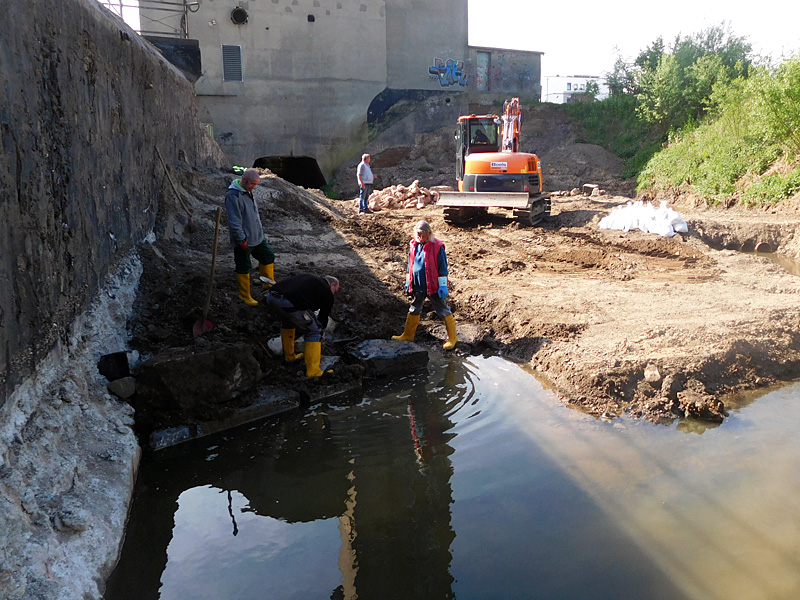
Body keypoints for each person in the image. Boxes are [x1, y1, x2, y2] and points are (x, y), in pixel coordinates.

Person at [392, 220, 457, 350]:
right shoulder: (414, 244)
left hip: (433, 286)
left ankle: (453, 338)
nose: (420, 237)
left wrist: (443, 285)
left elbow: (443, 267)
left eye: (422, 234)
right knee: (414, 307)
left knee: (442, 309)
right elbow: (410, 265)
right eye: (418, 234)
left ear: (428, 233)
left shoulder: (437, 246)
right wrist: (407, 281)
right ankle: (408, 335)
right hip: (418, 285)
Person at [265, 273, 340, 377]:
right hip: (288, 303)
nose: (335, 293)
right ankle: (313, 372)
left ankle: (290, 357)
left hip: (271, 297)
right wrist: (320, 333)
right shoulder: (326, 292)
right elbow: (323, 317)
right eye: (336, 289)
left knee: (288, 323)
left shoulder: (310, 279)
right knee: (315, 331)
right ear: (332, 285)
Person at [225, 168, 277, 307]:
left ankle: (268, 286)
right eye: (252, 184)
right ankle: (245, 296)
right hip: (244, 240)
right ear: (244, 180)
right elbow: (234, 221)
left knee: (268, 257)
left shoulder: (248, 191)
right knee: (243, 266)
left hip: (257, 237)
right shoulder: (233, 196)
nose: (254, 187)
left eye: (256, 184)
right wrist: (241, 239)